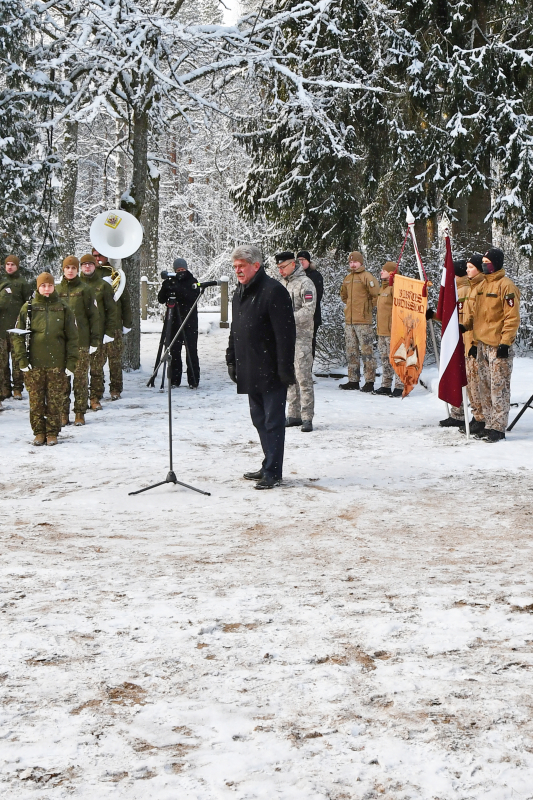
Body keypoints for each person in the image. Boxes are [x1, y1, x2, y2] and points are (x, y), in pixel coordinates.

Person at [226, 244, 296, 489]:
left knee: (273, 421)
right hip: (249, 366)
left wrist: (285, 369)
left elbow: (286, 335)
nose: (237, 271)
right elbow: (235, 330)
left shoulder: (273, 291)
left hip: (272, 368)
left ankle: (273, 472)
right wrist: (231, 359)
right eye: (235, 267)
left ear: (256, 265)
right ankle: (268, 463)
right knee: (258, 419)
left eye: (241, 266)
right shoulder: (239, 292)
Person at [13, 272, 78, 446]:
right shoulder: (28, 308)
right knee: (36, 402)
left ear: (54, 286)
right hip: (34, 364)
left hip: (57, 364)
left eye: (49, 285)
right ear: (38, 287)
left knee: (55, 401)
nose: (47, 289)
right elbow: (18, 337)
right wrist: (22, 360)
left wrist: (71, 362)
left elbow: (72, 338)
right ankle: (39, 432)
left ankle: (52, 432)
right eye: (43, 285)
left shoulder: (63, 308)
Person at [462, 247, 520, 442]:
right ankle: (488, 423)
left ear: (496, 263)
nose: (484, 265)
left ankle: (498, 427)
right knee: (484, 386)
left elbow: (511, 318)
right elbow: (474, 315)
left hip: (498, 346)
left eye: (488, 262)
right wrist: (464, 328)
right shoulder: (481, 286)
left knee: (498, 387)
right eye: (483, 262)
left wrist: (505, 342)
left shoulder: (506, 286)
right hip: (482, 345)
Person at [56, 256, 100, 426]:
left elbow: (94, 317)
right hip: (61, 343)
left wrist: (95, 340)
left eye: (74, 268)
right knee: (62, 380)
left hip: (81, 341)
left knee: (80, 379)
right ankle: (62, 413)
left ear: (77, 270)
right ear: (63, 269)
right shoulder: (56, 290)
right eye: (67, 268)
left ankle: (80, 412)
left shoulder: (85, 289)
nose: (70, 270)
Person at [427, 259, 470, 427]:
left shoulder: (464, 290)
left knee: (462, 377)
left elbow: (461, 316)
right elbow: (448, 316)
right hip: (457, 338)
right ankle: (457, 413)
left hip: (464, 340)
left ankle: (465, 415)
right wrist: (432, 315)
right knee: (455, 376)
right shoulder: (456, 289)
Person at [277, 251, 316, 432]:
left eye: (283, 267)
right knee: (289, 376)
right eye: (278, 267)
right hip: (285, 338)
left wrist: (288, 319)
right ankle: (293, 414)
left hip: (302, 336)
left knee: (303, 377)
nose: (281, 271)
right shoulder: (281, 285)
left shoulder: (306, 283)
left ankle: (307, 416)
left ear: (293, 264)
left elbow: (309, 310)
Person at [91, 249, 132, 400]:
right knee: (96, 360)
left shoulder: (115, 274)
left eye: (99, 255)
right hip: (96, 326)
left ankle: (116, 389)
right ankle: (97, 388)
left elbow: (125, 301)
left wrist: (127, 323)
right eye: (94, 256)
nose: (97, 258)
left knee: (115, 360)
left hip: (114, 325)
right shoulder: (89, 275)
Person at [80, 253, 117, 410]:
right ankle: (80, 401)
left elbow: (112, 311)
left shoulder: (103, 286)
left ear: (95, 266)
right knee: (80, 371)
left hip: (98, 333)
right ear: (80, 267)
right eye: (84, 264)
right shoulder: (74, 285)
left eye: (90, 264)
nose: (87, 266)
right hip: (79, 335)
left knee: (96, 369)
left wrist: (109, 332)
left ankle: (95, 398)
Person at [339, 250, 380, 391]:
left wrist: (367, 309)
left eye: (355, 262)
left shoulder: (367, 277)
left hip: (363, 321)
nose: (352, 264)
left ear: (361, 262)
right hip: (349, 321)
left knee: (367, 351)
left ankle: (369, 381)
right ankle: (353, 380)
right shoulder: (347, 278)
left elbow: (376, 295)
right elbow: (343, 296)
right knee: (351, 351)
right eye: (350, 262)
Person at [157, 258, 201, 388]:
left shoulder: (192, 281)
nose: (181, 272)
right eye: (178, 270)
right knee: (174, 351)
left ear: (186, 269)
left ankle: (193, 380)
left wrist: (179, 288)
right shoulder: (172, 281)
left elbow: (192, 296)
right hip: (174, 321)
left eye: (182, 269)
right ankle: (175, 380)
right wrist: (166, 286)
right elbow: (161, 299)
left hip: (189, 320)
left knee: (191, 351)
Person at [458, 254, 485, 435]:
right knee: (471, 384)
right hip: (467, 342)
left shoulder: (480, 287)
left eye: (471, 267)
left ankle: (482, 418)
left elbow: (481, 319)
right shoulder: (471, 288)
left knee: (478, 384)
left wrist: (475, 342)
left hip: (476, 343)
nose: (468, 270)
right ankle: (476, 416)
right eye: (466, 267)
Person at [0, 254, 33, 402]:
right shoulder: (1, 282)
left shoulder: (23, 283)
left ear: (17, 266)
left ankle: (18, 388)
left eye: (13, 264)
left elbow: (29, 305)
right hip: (1, 329)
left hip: (15, 328)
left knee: (17, 359)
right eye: (8, 264)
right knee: (2, 361)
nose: (10, 267)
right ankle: (4, 387)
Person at [374, 261, 404, 397]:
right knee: (385, 359)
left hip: (394, 331)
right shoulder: (383, 288)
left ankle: (399, 385)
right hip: (382, 331)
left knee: (398, 359)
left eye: (384, 270)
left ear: (392, 273)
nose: (381, 272)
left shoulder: (396, 288)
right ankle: (386, 385)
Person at [297, 250, 323, 359]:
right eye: (299, 260)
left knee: (309, 345)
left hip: (312, 316)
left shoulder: (315, 276)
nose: (301, 262)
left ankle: (308, 371)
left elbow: (317, 296)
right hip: (296, 317)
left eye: (303, 260)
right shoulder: (295, 276)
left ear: (309, 261)